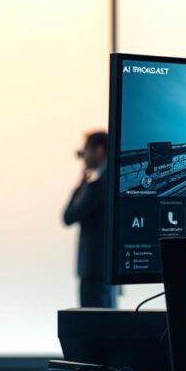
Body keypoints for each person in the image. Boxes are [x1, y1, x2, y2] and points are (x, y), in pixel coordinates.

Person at [63, 131, 115, 308]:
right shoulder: (112, 181)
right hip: (104, 269)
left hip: (93, 270)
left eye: (86, 150)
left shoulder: (98, 185)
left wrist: (83, 180)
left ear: (99, 150)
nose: (84, 156)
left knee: (95, 321)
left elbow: (69, 216)